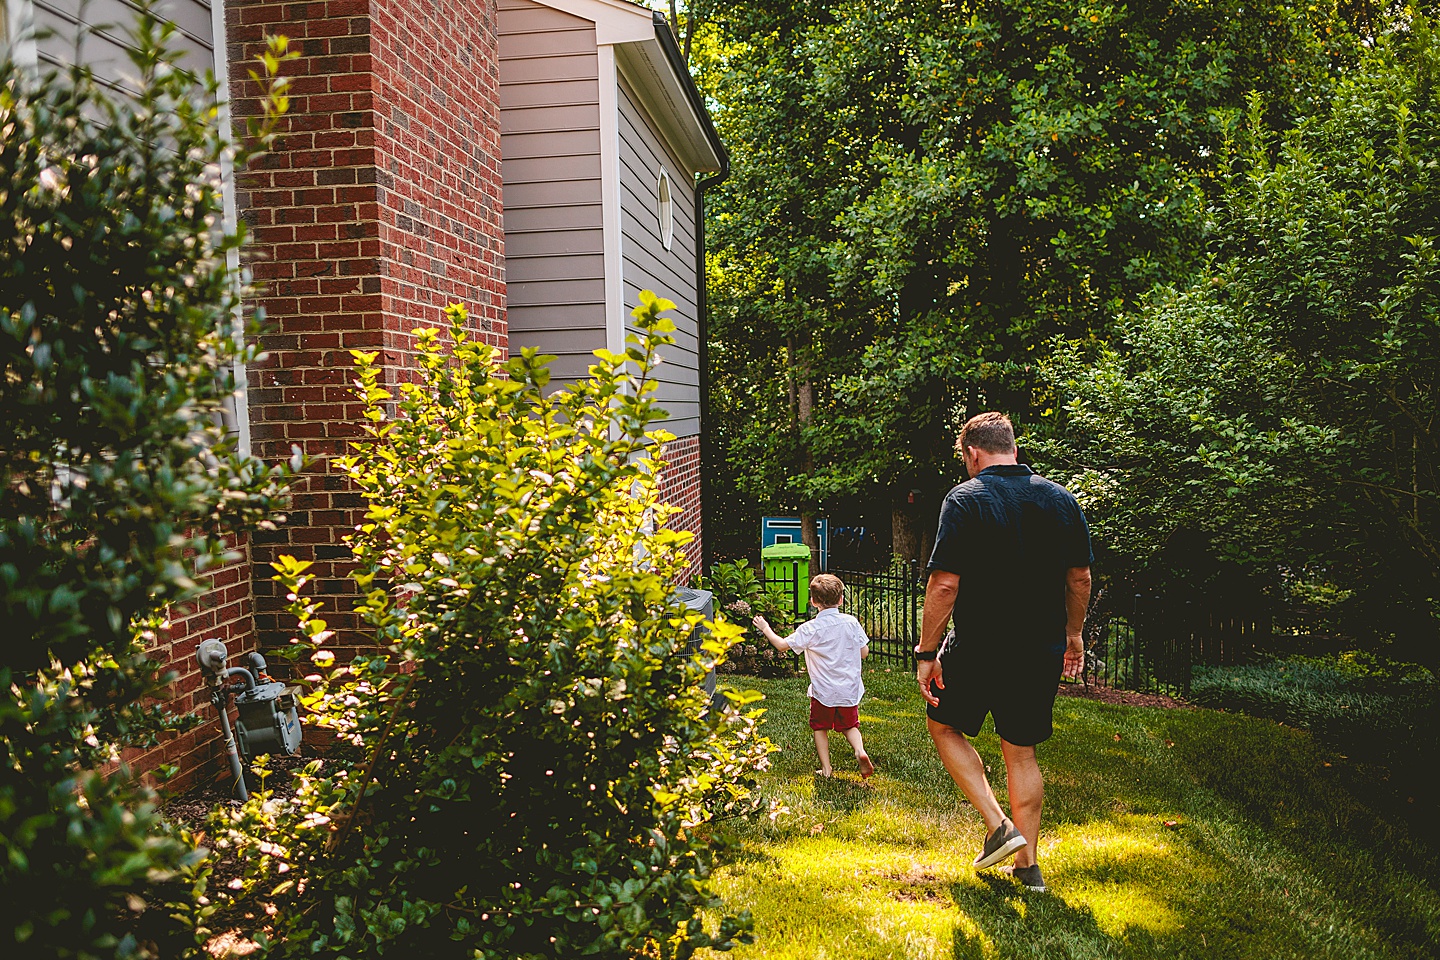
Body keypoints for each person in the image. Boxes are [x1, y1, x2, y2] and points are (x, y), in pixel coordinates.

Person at [916, 412, 1092, 893]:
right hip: (1040, 649)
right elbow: (1079, 577)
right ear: (1012, 447)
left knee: (944, 725)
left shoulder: (965, 499)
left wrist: (927, 651)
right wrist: (1073, 635)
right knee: (1021, 751)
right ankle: (1028, 869)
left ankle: (999, 826)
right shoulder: (1060, 499)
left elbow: (945, 583)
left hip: (979, 644)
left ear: (973, 453)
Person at [753, 574, 875, 779]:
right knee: (850, 725)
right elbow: (864, 652)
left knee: (820, 727)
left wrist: (766, 628)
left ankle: (826, 769)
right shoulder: (851, 622)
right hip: (849, 690)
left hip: (823, 692)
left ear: (814, 601)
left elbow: (782, 645)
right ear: (841, 600)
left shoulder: (810, 628)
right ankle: (859, 751)